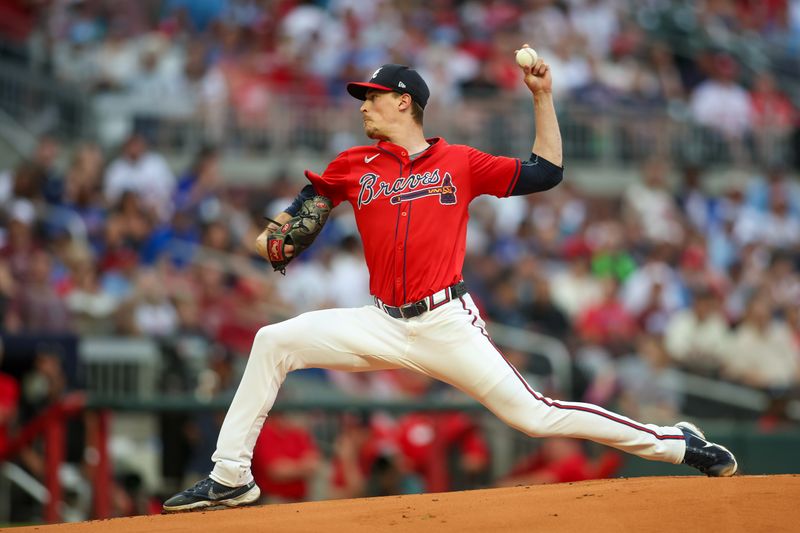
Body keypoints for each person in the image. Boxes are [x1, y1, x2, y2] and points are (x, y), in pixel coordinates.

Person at [163, 46, 738, 512]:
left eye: (373, 97)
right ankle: (231, 477)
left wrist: (542, 97)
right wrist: (278, 232)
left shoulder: (458, 161)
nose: (363, 106)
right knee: (273, 340)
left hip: (446, 322)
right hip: (380, 322)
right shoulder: (354, 164)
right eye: (362, 97)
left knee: (536, 417)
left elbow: (546, 172)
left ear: (404, 101)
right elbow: (307, 203)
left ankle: (676, 442)